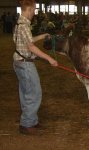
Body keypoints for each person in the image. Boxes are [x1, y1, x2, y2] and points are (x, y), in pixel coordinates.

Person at [13, 0, 58, 135]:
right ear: (28, 9)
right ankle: (27, 124)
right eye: (34, 10)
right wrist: (49, 59)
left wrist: (42, 36)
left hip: (19, 61)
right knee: (34, 93)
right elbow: (31, 47)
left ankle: (30, 120)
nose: (34, 12)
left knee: (26, 92)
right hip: (25, 63)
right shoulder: (24, 26)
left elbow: (29, 40)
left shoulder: (19, 24)